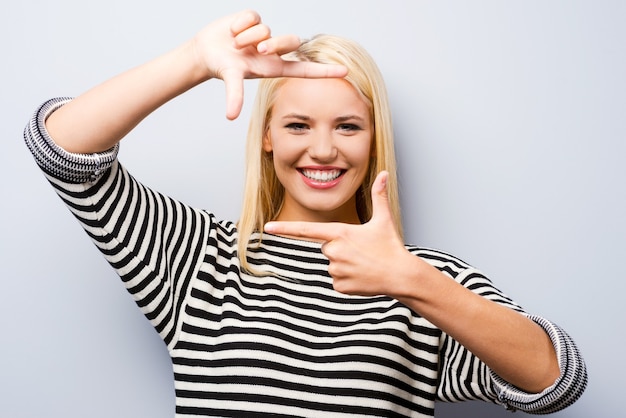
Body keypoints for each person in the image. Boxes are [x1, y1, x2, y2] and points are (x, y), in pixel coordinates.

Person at [25, 9, 587, 417]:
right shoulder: (199, 258)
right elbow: (60, 149)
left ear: (374, 140)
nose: (323, 150)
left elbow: (557, 381)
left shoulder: (426, 283)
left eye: (347, 126)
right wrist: (194, 60)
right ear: (267, 137)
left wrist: (412, 281)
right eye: (298, 125)